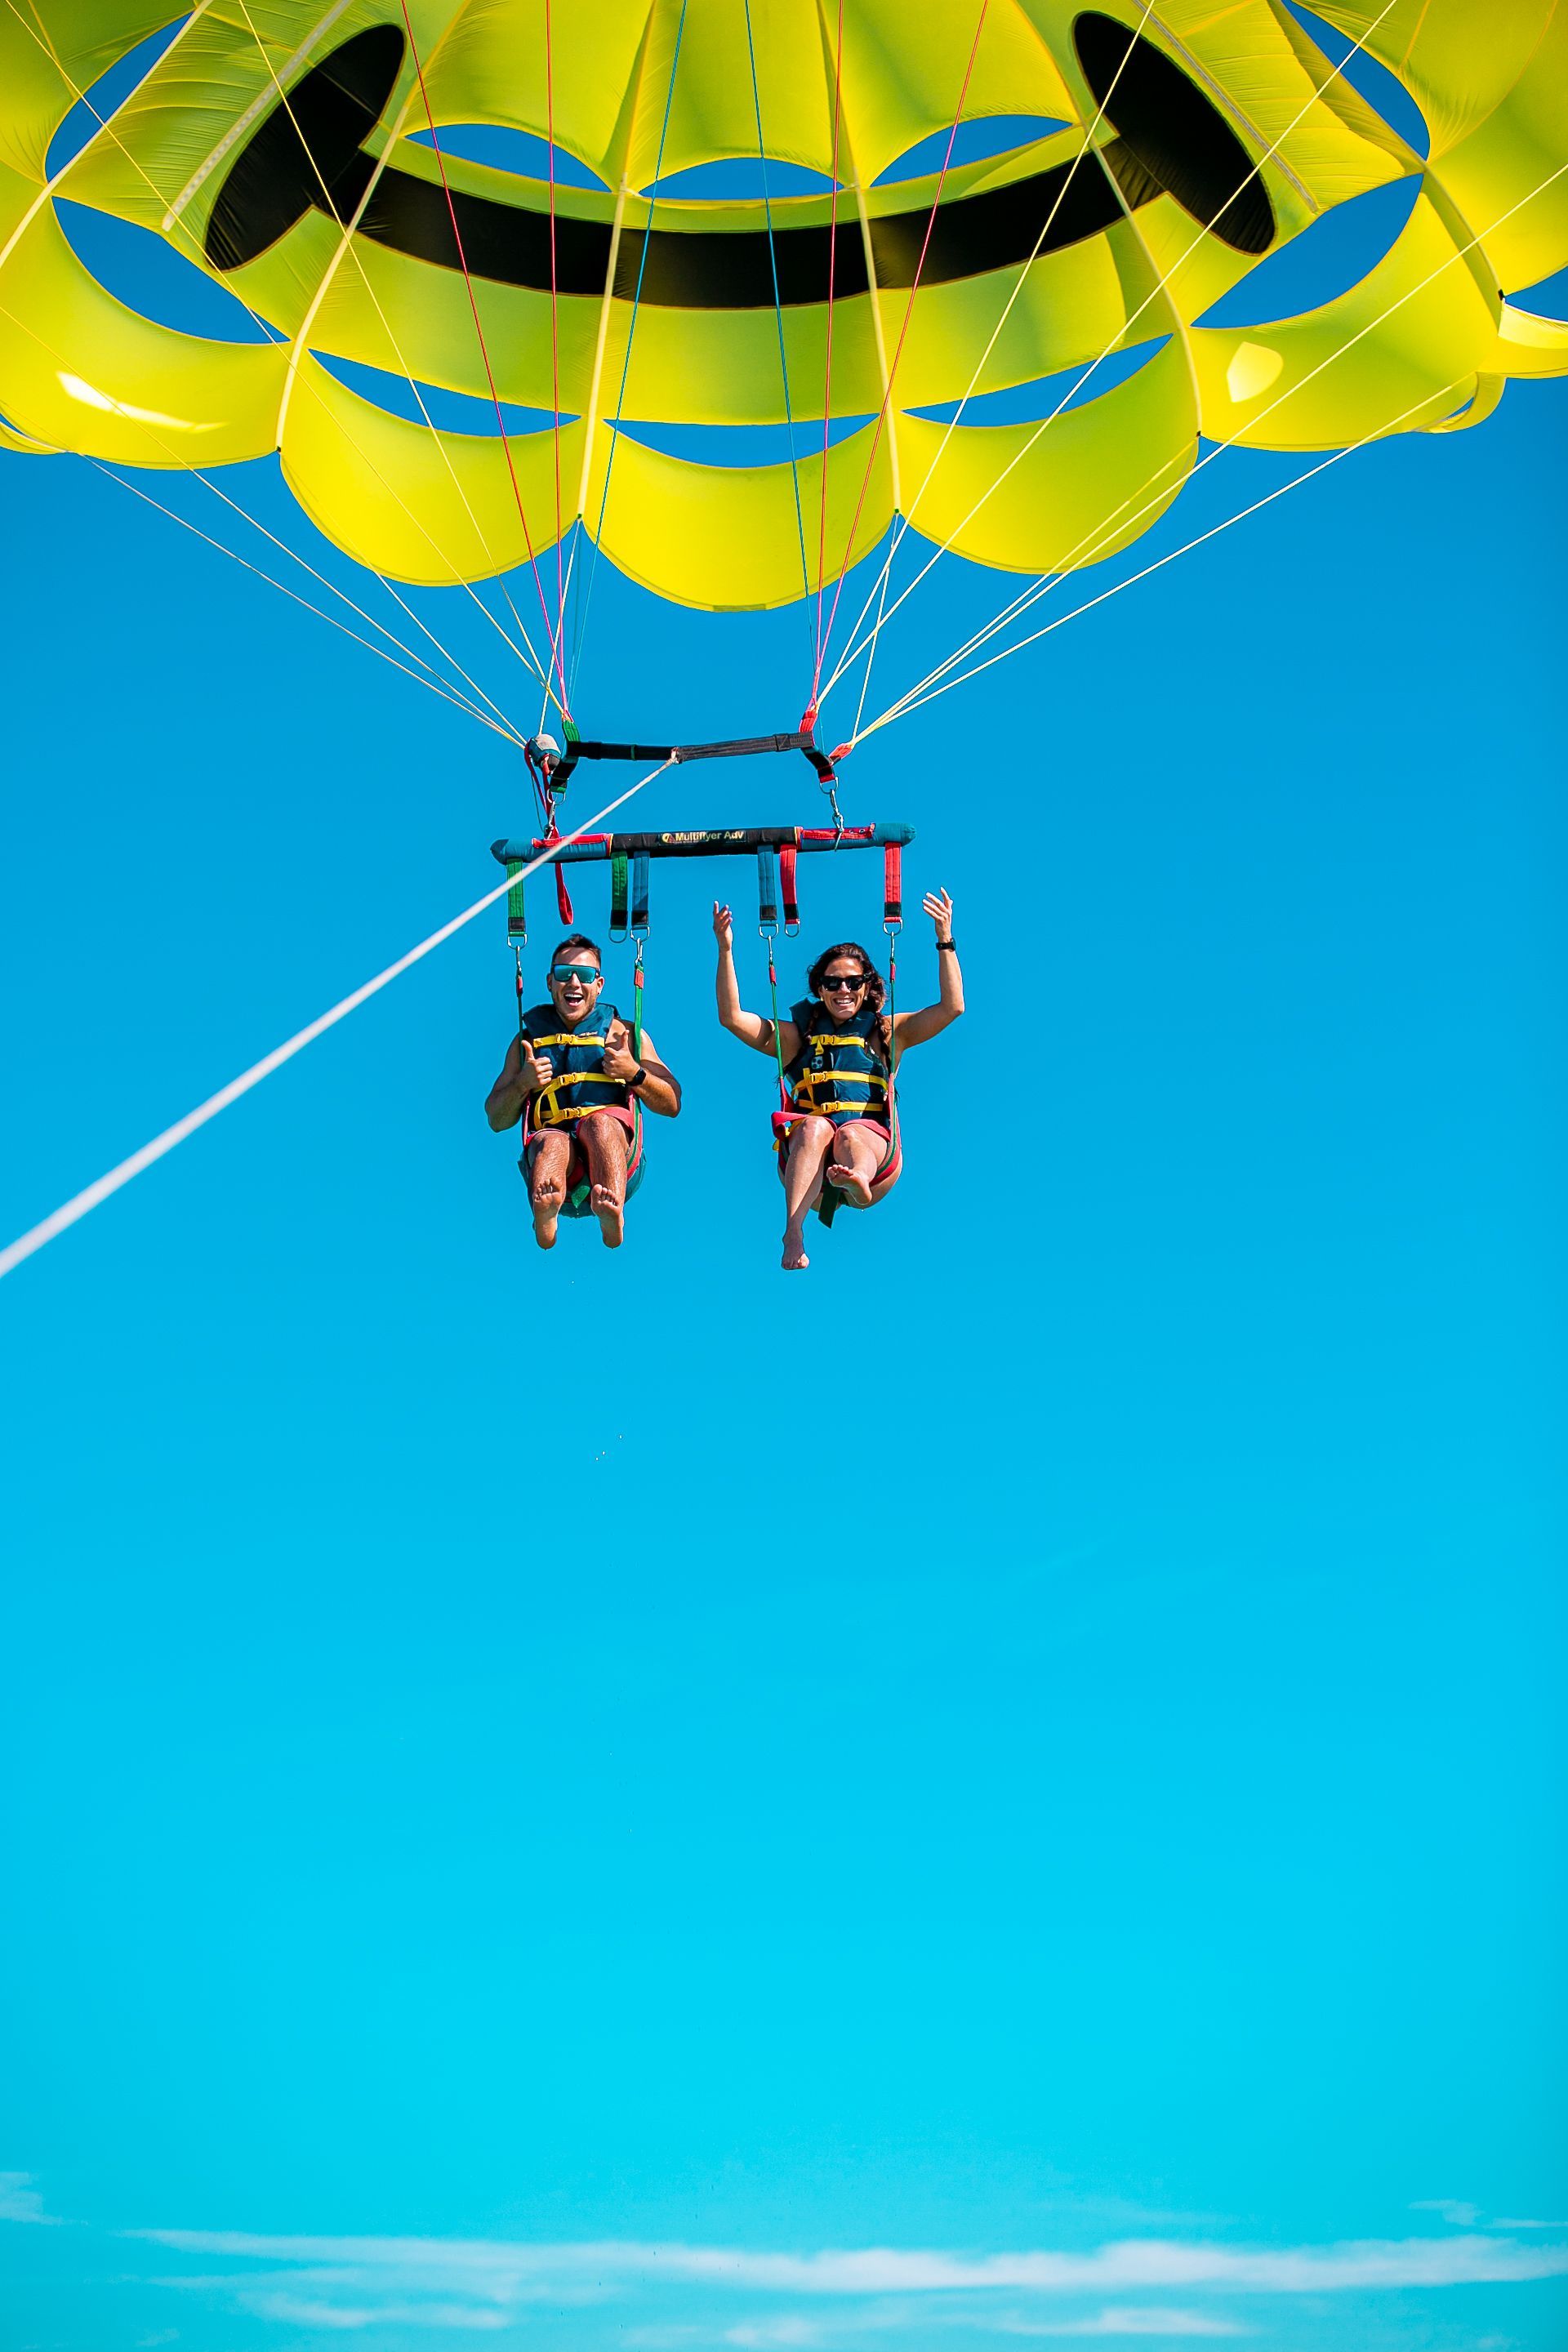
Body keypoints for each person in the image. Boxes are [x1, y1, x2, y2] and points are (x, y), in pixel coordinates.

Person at [712, 889, 963, 1271]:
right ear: (819, 989)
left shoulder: (887, 1033)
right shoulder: (797, 1038)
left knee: (849, 1134)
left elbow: (951, 1007)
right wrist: (726, 949)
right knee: (813, 1128)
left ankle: (857, 1177)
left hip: (874, 1161)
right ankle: (793, 1231)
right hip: (808, 1163)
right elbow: (732, 1017)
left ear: (867, 986)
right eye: (833, 983)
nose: (843, 990)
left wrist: (945, 938)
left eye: (852, 982)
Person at [486, 933, 680, 1250]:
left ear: (599, 985)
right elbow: (495, 1118)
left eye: (585, 975)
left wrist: (635, 1073)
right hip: (552, 1151)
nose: (574, 982)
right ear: (550, 982)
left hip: (613, 1154)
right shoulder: (527, 1042)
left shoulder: (625, 1034)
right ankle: (545, 1213)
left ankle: (612, 1210)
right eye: (564, 974)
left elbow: (672, 1102)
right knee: (553, 1141)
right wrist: (522, 1083)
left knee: (599, 1124)